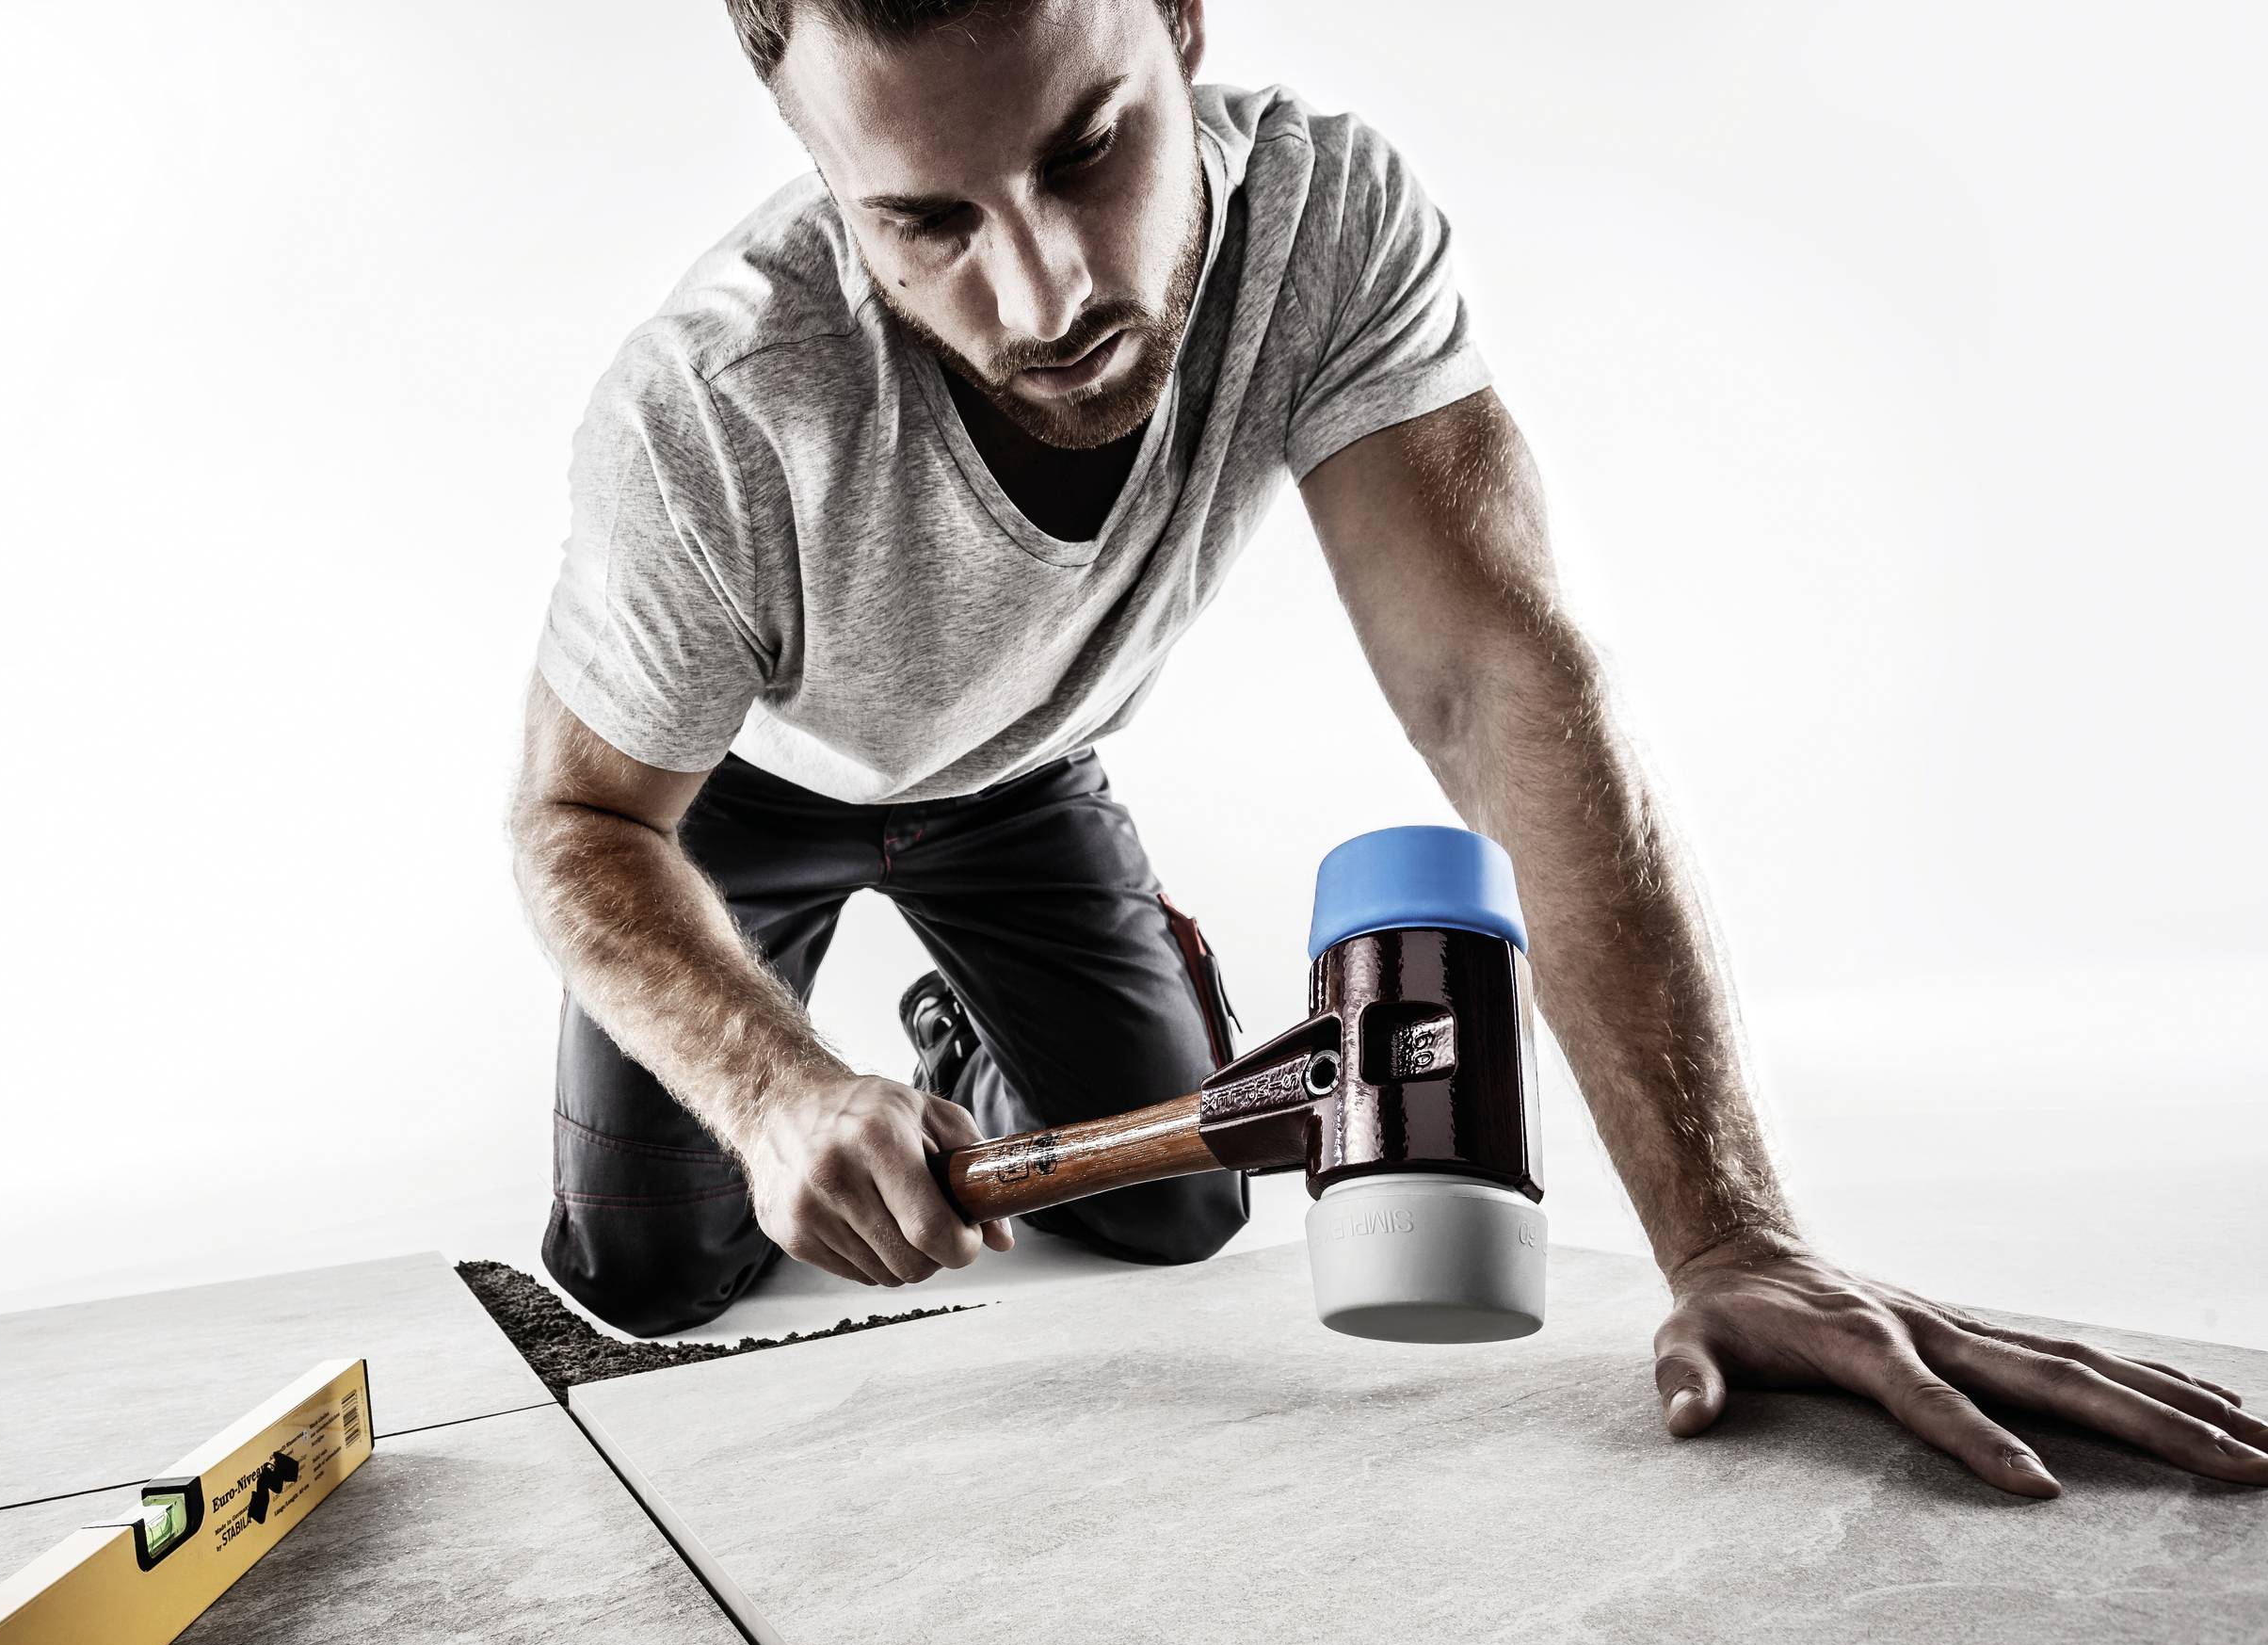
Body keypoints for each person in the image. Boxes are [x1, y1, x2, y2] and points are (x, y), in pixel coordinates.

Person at [506, 0, 2268, 1497]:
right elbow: (580, 817)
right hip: (740, 800)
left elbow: (1501, 686)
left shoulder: (1330, 230)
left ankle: (961, 1044)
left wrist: (1729, 1234)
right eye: (927, 226)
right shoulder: (712, 408)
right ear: (825, 185)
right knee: (654, 1278)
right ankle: (831, 1080)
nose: (1045, 297)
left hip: (1025, 779)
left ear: (1182, 19)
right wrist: (774, 1091)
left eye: (1088, 150)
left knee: (1176, 1224)